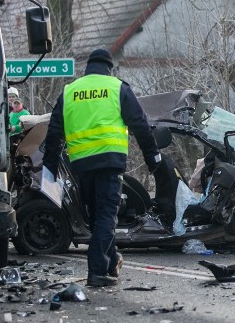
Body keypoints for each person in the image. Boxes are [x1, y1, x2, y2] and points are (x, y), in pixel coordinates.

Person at [43, 48, 162, 287]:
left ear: (88, 67)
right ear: (109, 67)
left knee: (99, 219)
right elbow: (140, 124)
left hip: (81, 165)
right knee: (107, 216)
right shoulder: (117, 88)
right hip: (109, 163)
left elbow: (55, 133)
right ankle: (97, 270)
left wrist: (50, 166)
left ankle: (110, 263)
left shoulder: (70, 91)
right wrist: (153, 157)